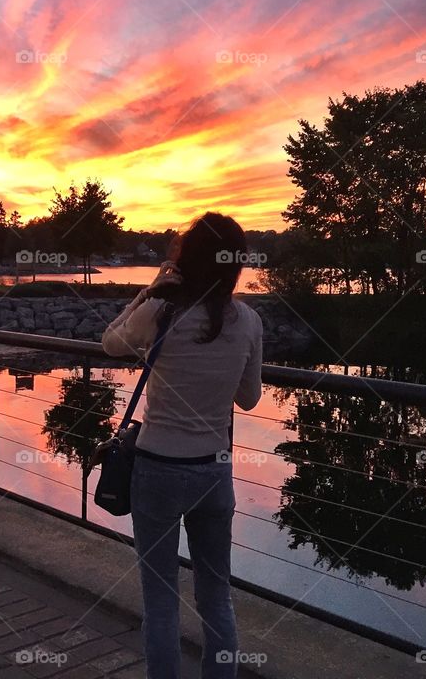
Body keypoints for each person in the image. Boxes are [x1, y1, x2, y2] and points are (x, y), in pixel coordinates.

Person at [101, 212, 263, 679]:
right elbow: (249, 399)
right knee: (216, 594)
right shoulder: (249, 320)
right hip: (214, 471)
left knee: (160, 598)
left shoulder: (163, 311)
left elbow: (112, 342)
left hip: (158, 468)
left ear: (185, 262)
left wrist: (149, 292)